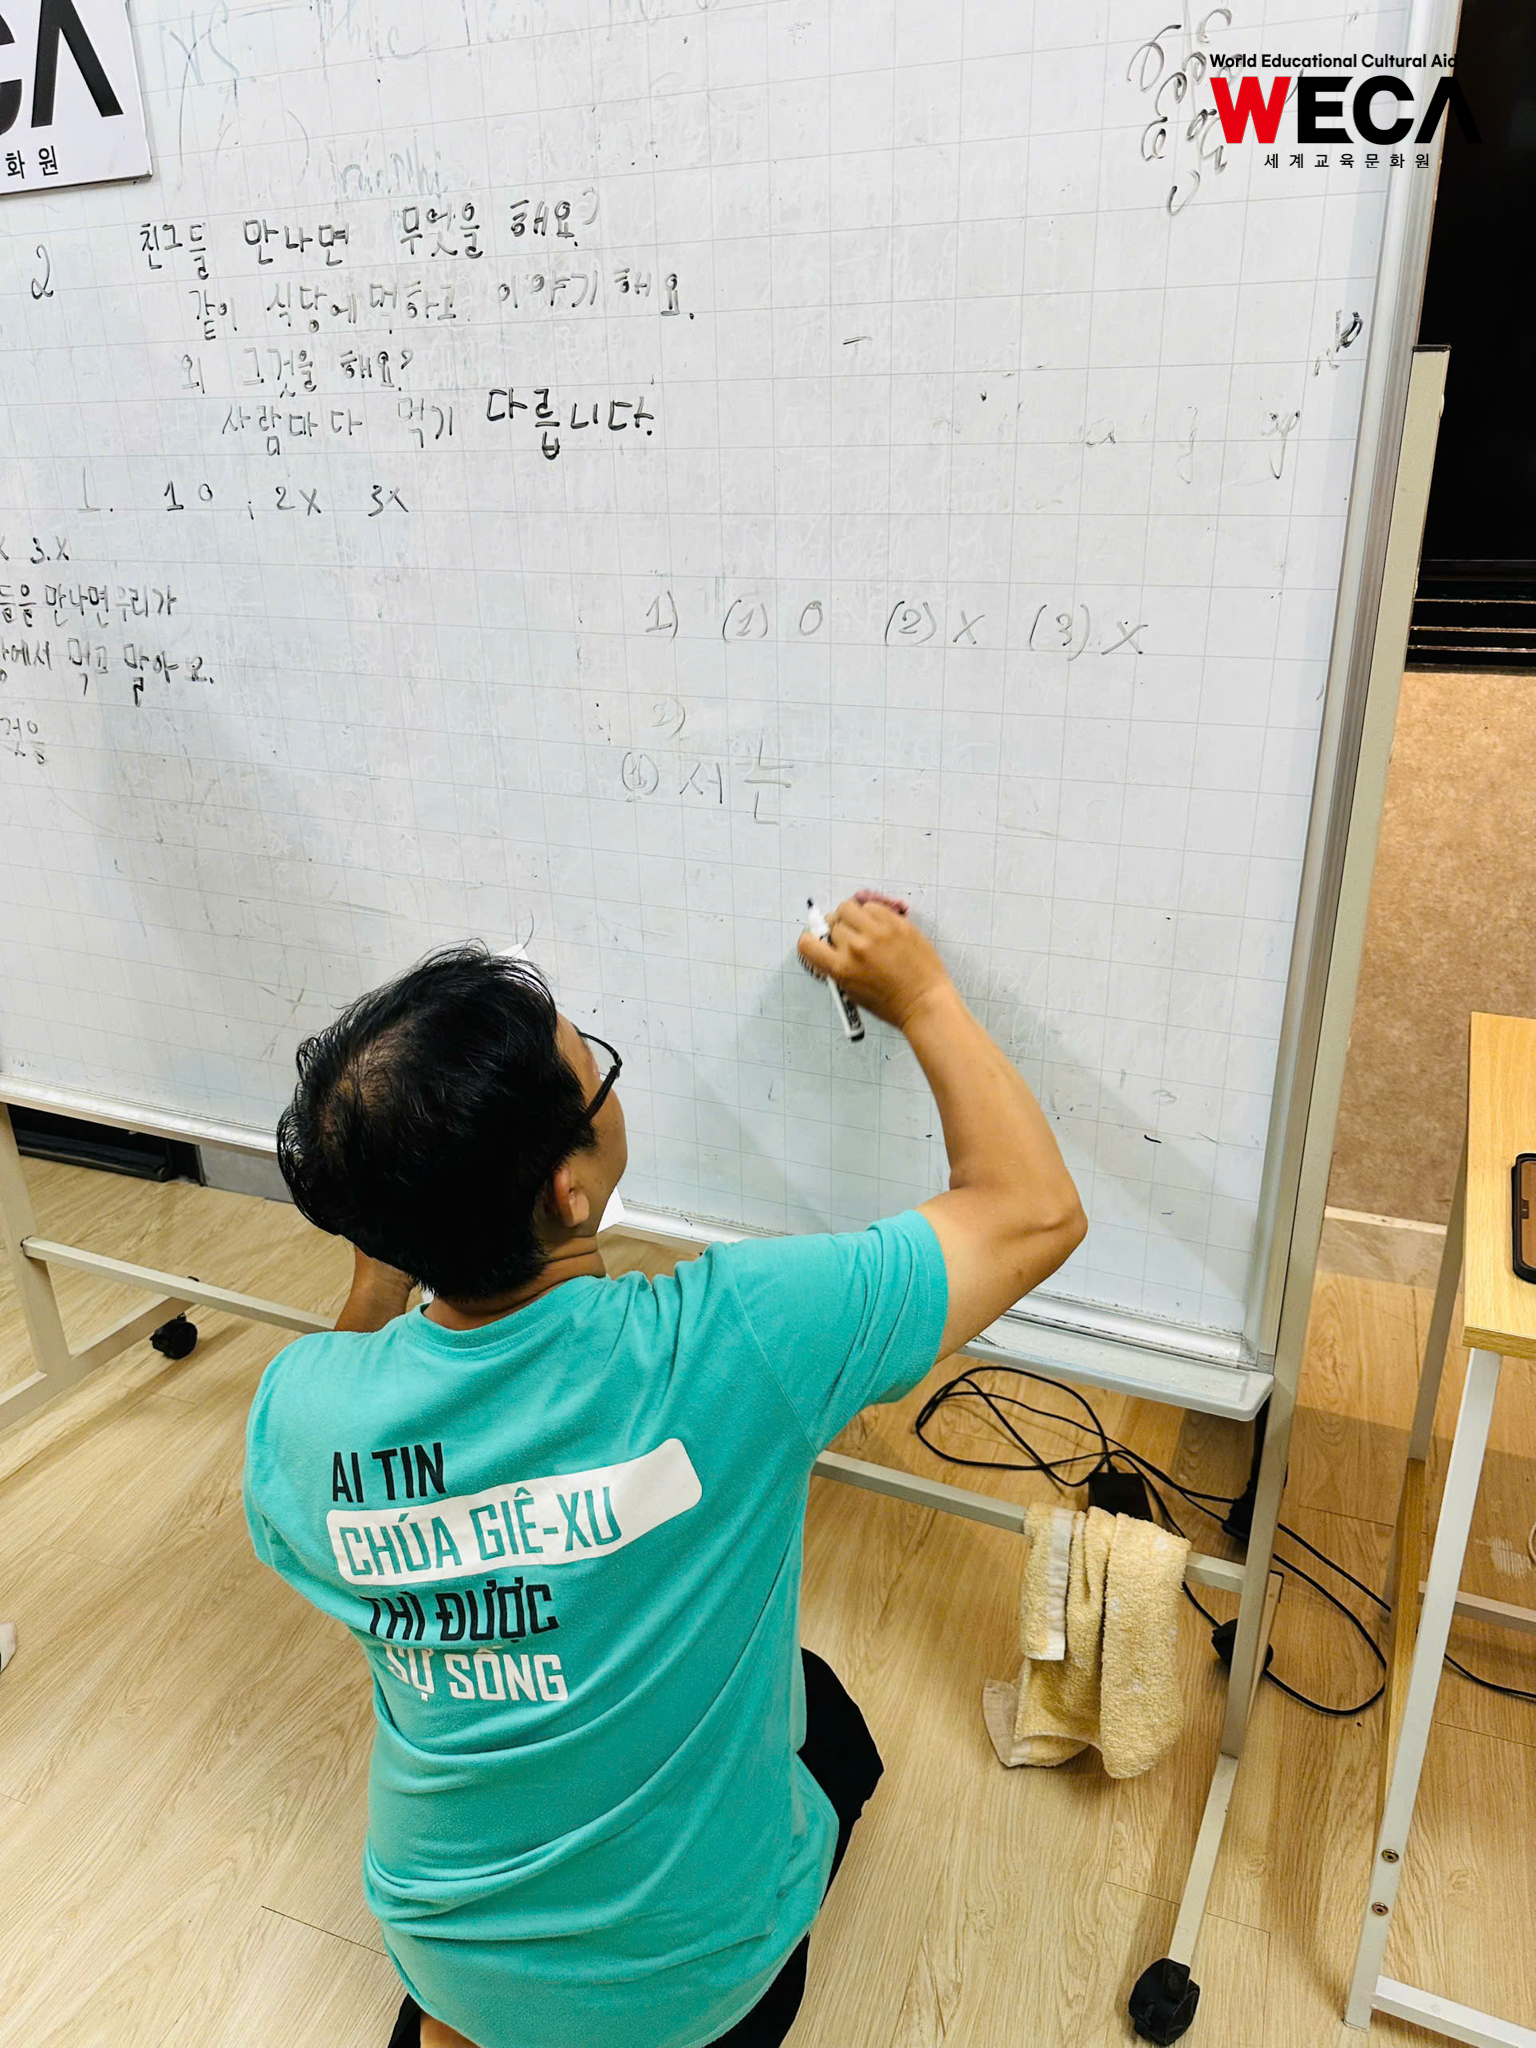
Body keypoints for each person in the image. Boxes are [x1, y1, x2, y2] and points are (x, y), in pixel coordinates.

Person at [243, 896, 1085, 2048]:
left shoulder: (300, 1415)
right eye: (595, 1072)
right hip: (698, 1989)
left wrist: (385, 1267)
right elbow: (1033, 1211)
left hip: (448, 1948)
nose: (604, 1077)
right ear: (568, 1190)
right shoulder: (736, 1339)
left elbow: (354, 1372)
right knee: (829, 1722)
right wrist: (923, 994)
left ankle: (472, 2023)